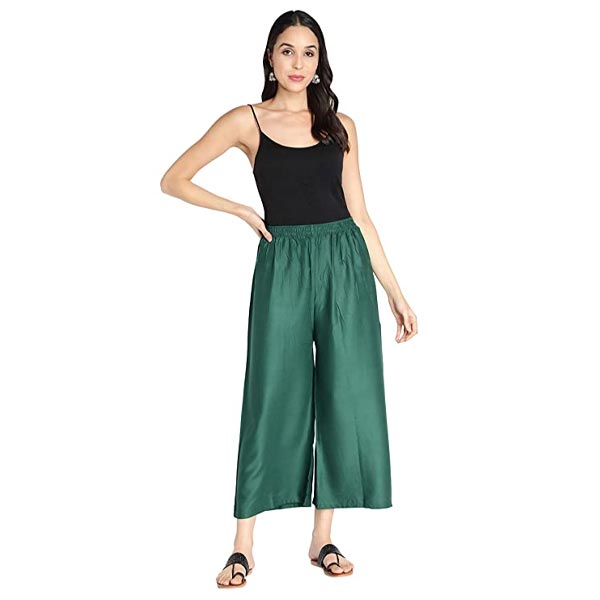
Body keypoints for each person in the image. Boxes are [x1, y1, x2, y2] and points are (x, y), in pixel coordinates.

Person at [160, 9, 418, 589]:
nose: (298, 63)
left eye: (309, 52)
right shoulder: (245, 120)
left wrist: (396, 293)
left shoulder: (340, 125)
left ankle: (322, 536)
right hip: (283, 263)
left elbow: (361, 214)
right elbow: (174, 179)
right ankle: (242, 544)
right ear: (270, 57)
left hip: (344, 261)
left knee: (343, 391)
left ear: (320, 61)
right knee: (271, 390)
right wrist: (240, 210)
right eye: (287, 50)